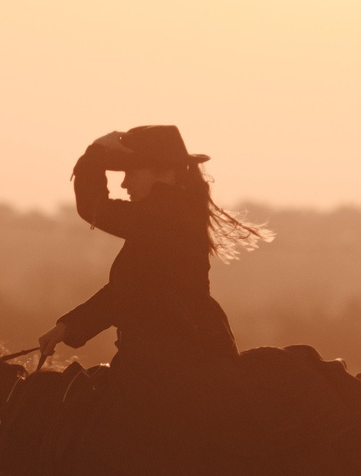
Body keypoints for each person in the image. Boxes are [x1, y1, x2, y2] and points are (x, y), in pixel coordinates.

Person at [36, 126, 266, 376]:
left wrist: (96, 153)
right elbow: (126, 291)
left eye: (132, 173)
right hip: (166, 357)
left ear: (165, 173)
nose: (124, 183)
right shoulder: (167, 213)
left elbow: (94, 207)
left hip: (177, 363)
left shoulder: (165, 215)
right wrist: (67, 327)